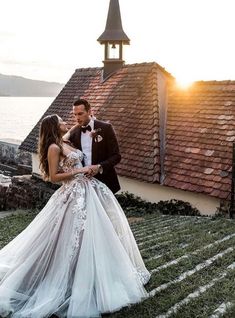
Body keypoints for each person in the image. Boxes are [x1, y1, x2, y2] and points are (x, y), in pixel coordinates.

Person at [0, 114, 150, 318]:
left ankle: (98, 274)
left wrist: (90, 120)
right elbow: (53, 177)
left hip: (87, 191)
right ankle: (66, 276)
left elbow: (78, 127)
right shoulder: (54, 148)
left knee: (96, 233)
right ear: (54, 126)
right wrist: (81, 171)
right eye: (61, 121)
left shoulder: (65, 141)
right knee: (71, 237)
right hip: (73, 195)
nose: (66, 123)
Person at [63, 98, 121, 194]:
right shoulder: (74, 133)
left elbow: (116, 156)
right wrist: (72, 129)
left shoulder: (105, 128)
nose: (77, 118)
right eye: (75, 114)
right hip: (84, 185)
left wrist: (99, 167)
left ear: (89, 111)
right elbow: (60, 142)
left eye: (80, 114)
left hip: (105, 182)